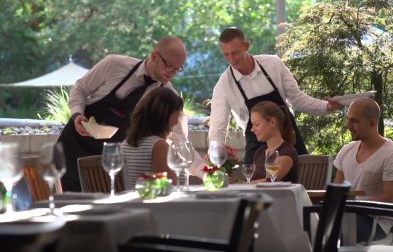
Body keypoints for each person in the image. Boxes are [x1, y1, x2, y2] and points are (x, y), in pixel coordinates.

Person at [58, 36, 203, 192]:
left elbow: (180, 142)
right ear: (154, 56)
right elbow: (80, 88)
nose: (172, 73)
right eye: (169, 65)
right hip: (71, 148)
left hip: (107, 163)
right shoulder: (114, 64)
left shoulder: (167, 97)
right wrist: (77, 115)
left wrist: (206, 172)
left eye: (178, 69)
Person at [209, 27, 343, 164]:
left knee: (301, 183)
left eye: (235, 53)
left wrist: (327, 106)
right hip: (258, 152)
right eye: (226, 55)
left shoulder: (273, 64)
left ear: (246, 46)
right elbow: (217, 130)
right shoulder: (223, 86)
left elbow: (297, 99)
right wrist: (215, 161)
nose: (231, 59)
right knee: (255, 183)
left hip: (290, 143)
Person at [334, 98, 393, 243]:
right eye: (348, 120)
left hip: (376, 222)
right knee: (306, 224)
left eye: (355, 121)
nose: (348, 125)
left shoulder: (392, 155)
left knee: (328, 230)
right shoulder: (346, 150)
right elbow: (337, 190)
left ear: (372, 123)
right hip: (348, 215)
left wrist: (354, 204)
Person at [120, 88, 184, 188]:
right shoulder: (159, 146)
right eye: (178, 114)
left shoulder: (125, 143)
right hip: (153, 202)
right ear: (165, 114)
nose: (177, 121)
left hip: (134, 202)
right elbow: (166, 189)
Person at [250, 101, 299, 182]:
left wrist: (241, 185)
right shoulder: (259, 152)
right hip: (258, 195)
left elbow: (270, 181)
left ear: (272, 122)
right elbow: (251, 179)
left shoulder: (287, 152)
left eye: (257, 124)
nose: (252, 129)